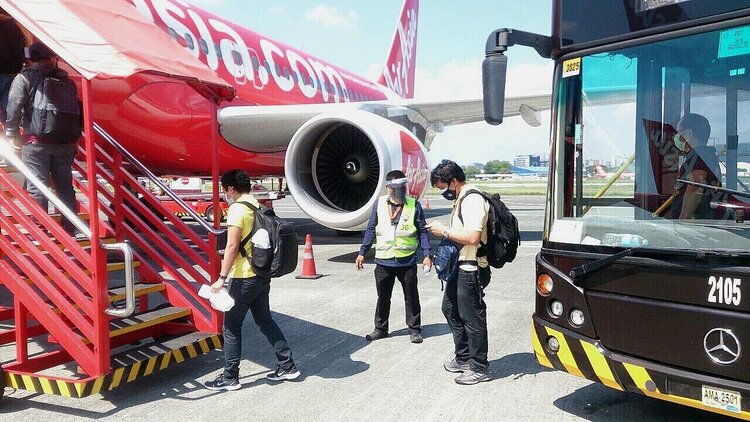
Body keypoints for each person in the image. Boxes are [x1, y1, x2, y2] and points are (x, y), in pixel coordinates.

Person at [204, 169, 300, 391]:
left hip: (243, 277)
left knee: (231, 327)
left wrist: (221, 278)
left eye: (224, 190)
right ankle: (287, 366)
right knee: (265, 321)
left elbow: (232, 245)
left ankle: (230, 377)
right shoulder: (256, 205)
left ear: (230, 189)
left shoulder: (237, 209)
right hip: (260, 274)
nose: (225, 194)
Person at [4, 41, 80, 236]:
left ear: (31, 58)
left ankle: (39, 232)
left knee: (38, 186)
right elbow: (78, 112)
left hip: (36, 143)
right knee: (65, 188)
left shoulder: (25, 78)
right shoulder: (67, 81)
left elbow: (13, 108)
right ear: (53, 57)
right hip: (65, 144)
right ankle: (70, 229)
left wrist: (11, 135)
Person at [426, 159, 491, 385]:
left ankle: (479, 367)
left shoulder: (472, 200)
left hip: (471, 268)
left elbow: (473, 237)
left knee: (472, 317)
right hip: (459, 266)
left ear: (454, 181)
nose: (444, 192)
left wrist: (443, 231)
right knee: (449, 309)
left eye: (444, 188)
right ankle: (463, 358)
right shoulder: (462, 198)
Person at [355, 170, 432, 344]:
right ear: (388, 187)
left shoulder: (414, 205)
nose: (400, 190)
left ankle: (414, 329)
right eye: (396, 187)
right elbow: (370, 229)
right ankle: (381, 329)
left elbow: (422, 232)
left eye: (403, 186)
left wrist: (427, 254)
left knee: (411, 296)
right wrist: (362, 252)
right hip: (384, 260)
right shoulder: (380, 204)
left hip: (407, 260)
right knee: (383, 296)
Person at [670, 113, 722, 219]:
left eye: (679, 132)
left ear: (688, 133)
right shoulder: (708, 155)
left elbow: (694, 190)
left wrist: (682, 221)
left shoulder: (697, 157)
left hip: (696, 222)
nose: (677, 137)